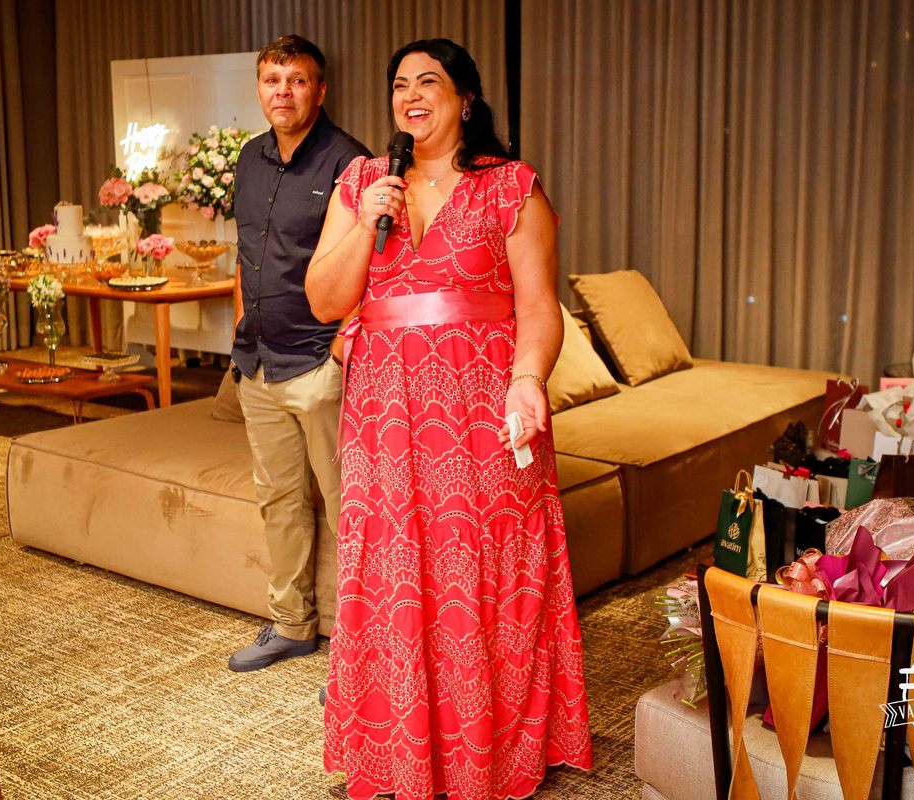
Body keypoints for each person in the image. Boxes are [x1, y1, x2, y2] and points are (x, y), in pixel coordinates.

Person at [306, 38, 592, 800]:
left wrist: (528, 381)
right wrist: (365, 223)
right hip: (384, 420)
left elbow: (539, 308)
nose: (411, 96)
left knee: (483, 576)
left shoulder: (510, 188)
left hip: (483, 413)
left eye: (428, 82)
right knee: (393, 575)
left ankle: (485, 754)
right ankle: (401, 752)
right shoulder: (363, 182)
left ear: (465, 98)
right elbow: (325, 301)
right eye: (400, 84)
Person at [226, 35, 370, 673]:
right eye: (272, 80)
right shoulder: (249, 158)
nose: (282, 92)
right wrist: (240, 324)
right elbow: (246, 253)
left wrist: (340, 349)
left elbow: (376, 266)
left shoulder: (351, 162)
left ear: (321, 89)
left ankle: (365, 650)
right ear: (260, 88)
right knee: (278, 501)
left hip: (318, 364)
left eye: (297, 80)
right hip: (257, 361)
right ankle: (291, 624)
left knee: (348, 508)